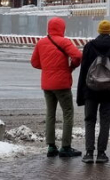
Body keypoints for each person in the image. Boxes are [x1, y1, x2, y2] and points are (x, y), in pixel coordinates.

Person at [31, 17, 82, 158]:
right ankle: (66, 147)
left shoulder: (41, 43)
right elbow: (77, 56)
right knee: (67, 114)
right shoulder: (64, 42)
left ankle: (51, 147)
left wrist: (48, 68)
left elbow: (34, 63)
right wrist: (71, 67)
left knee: (50, 114)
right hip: (62, 84)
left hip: (47, 85)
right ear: (62, 28)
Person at [77, 20, 110, 164]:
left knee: (89, 121)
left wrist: (81, 96)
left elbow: (84, 71)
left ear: (98, 31)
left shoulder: (89, 47)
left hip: (90, 91)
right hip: (109, 92)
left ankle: (89, 153)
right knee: (105, 123)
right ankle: (102, 154)